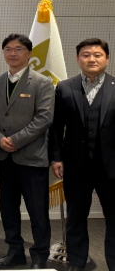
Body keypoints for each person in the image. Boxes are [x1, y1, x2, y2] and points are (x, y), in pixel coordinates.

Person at [0, 34, 54, 269]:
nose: (12, 53)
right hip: (4, 156)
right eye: (8, 49)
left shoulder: (41, 82)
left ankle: (40, 254)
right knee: (8, 209)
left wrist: (15, 140)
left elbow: (44, 118)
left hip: (32, 156)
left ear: (29, 53)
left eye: (19, 49)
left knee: (37, 211)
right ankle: (14, 251)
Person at [50, 38, 114, 271]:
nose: (92, 59)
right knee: (76, 219)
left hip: (111, 167)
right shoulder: (65, 87)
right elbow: (56, 127)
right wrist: (56, 157)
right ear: (78, 59)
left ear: (107, 58)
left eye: (97, 55)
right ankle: (76, 263)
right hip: (75, 166)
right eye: (86, 55)